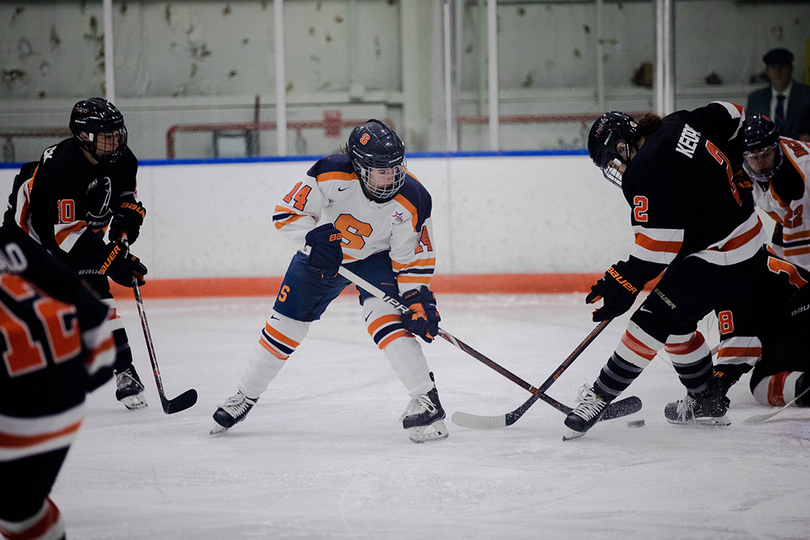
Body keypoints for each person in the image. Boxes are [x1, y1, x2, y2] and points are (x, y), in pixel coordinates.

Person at [211, 119, 447, 443]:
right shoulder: (331, 173)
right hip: (326, 254)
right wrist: (314, 239)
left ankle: (426, 398)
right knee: (283, 326)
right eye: (381, 170)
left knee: (386, 320)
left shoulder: (414, 198)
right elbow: (287, 213)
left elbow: (410, 258)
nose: (391, 177)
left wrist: (416, 298)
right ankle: (245, 395)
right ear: (359, 167)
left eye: (395, 168)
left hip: (377, 260)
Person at [563, 102, 768, 440]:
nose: (616, 169)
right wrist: (736, 170)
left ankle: (598, 397)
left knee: (651, 321)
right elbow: (734, 114)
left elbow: (660, 246)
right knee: (676, 325)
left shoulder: (643, 168)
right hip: (744, 239)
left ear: (621, 145)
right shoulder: (678, 122)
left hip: (724, 253)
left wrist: (621, 282)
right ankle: (705, 399)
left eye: (612, 160)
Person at [4, 97, 149, 411]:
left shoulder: (123, 160)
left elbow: (128, 200)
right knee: (31, 307)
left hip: (78, 229)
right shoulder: (62, 165)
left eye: (117, 133)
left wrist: (125, 226)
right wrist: (115, 262)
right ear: (84, 137)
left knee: (97, 294)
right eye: (107, 136)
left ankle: (125, 371)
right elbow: (65, 236)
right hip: (33, 235)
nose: (116, 140)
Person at [0, 226, 118, 540]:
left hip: (12, 420)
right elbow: (100, 339)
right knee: (21, 508)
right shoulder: (9, 241)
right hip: (68, 399)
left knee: (16, 504)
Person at [740, 114, 810, 271]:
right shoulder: (739, 168)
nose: (760, 163)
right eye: (754, 158)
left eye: (766, 155)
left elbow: (800, 259)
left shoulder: (795, 180)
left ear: (776, 148)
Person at [746, 48, 810, 139]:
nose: (778, 71)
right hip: (766, 151)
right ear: (767, 71)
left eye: (782, 67)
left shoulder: (806, 96)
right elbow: (749, 131)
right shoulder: (756, 99)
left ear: (790, 69)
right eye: (773, 67)